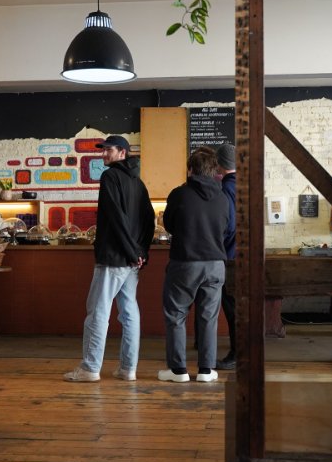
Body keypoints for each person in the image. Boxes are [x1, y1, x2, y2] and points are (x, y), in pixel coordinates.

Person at [64, 135, 155, 383]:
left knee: (98, 313)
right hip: (131, 260)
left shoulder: (110, 177)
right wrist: (141, 252)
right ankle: (128, 369)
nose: (104, 154)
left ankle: (90, 368)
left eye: (108, 150)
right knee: (129, 313)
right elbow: (150, 220)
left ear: (122, 152)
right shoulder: (139, 182)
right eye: (103, 150)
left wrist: (132, 252)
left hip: (114, 257)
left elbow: (115, 218)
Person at [159, 146, 230, 383]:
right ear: (213, 170)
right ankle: (206, 370)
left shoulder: (179, 194)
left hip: (186, 263)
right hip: (216, 264)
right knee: (209, 317)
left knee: (176, 315)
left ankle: (178, 371)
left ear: (190, 169)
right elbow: (228, 228)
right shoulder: (222, 197)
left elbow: (168, 225)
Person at [214, 143, 238, 371]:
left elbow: (228, 225)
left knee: (231, 309)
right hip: (244, 254)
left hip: (230, 256)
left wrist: (217, 242)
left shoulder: (226, 188)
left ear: (219, 164)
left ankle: (236, 354)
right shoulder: (246, 184)